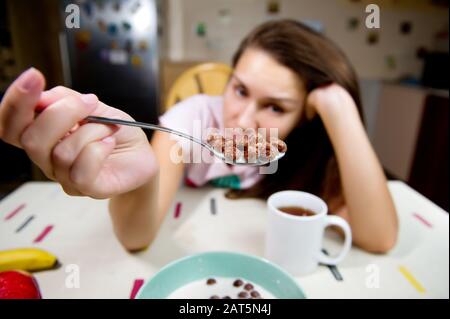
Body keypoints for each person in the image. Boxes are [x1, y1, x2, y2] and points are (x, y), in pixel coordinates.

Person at [0, 20, 397, 253]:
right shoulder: (191, 120)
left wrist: (339, 106)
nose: (242, 121)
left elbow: (379, 238)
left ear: (306, 119)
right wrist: (143, 180)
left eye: (275, 107)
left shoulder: (306, 152)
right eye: (239, 90)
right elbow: (136, 238)